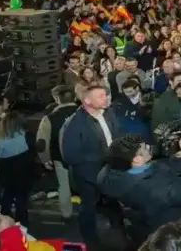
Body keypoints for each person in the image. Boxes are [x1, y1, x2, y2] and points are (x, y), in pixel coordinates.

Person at [97, 131, 181, 246]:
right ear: (137, 159)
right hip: (165, 234)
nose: (149, 147)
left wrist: (178, 157)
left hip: (140, 228)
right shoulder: (153, 189)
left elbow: (161, 169)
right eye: (145, 148)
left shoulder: (112, 176)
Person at [60, 85, 122, 245]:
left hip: (111, 169)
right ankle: (90, 241)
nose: (106, 98)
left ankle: (119, 229)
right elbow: (70, 155)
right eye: (101, 96)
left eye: (105, 95)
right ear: (87, 100)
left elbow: (117, 135)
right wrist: (99, 159)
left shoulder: (108, 113)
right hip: (89, 175)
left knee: (114, 200)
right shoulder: (75, 123)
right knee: (88, 207)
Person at [35, 85, 78, 220]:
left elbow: (42, 142)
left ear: (58, 100)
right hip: (85, 158)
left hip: (60, 157)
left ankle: (66, 215)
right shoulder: (85, 113)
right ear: (75, 98)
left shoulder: (50, 118)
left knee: (64, 186)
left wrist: (45, 159)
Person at [0, 110, 34, 228]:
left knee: (8, 193)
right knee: (21, 197)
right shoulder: (24, 134)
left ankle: (6, 217)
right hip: (23, 169)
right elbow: (32, 150)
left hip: (5, 169)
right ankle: (23, 222)